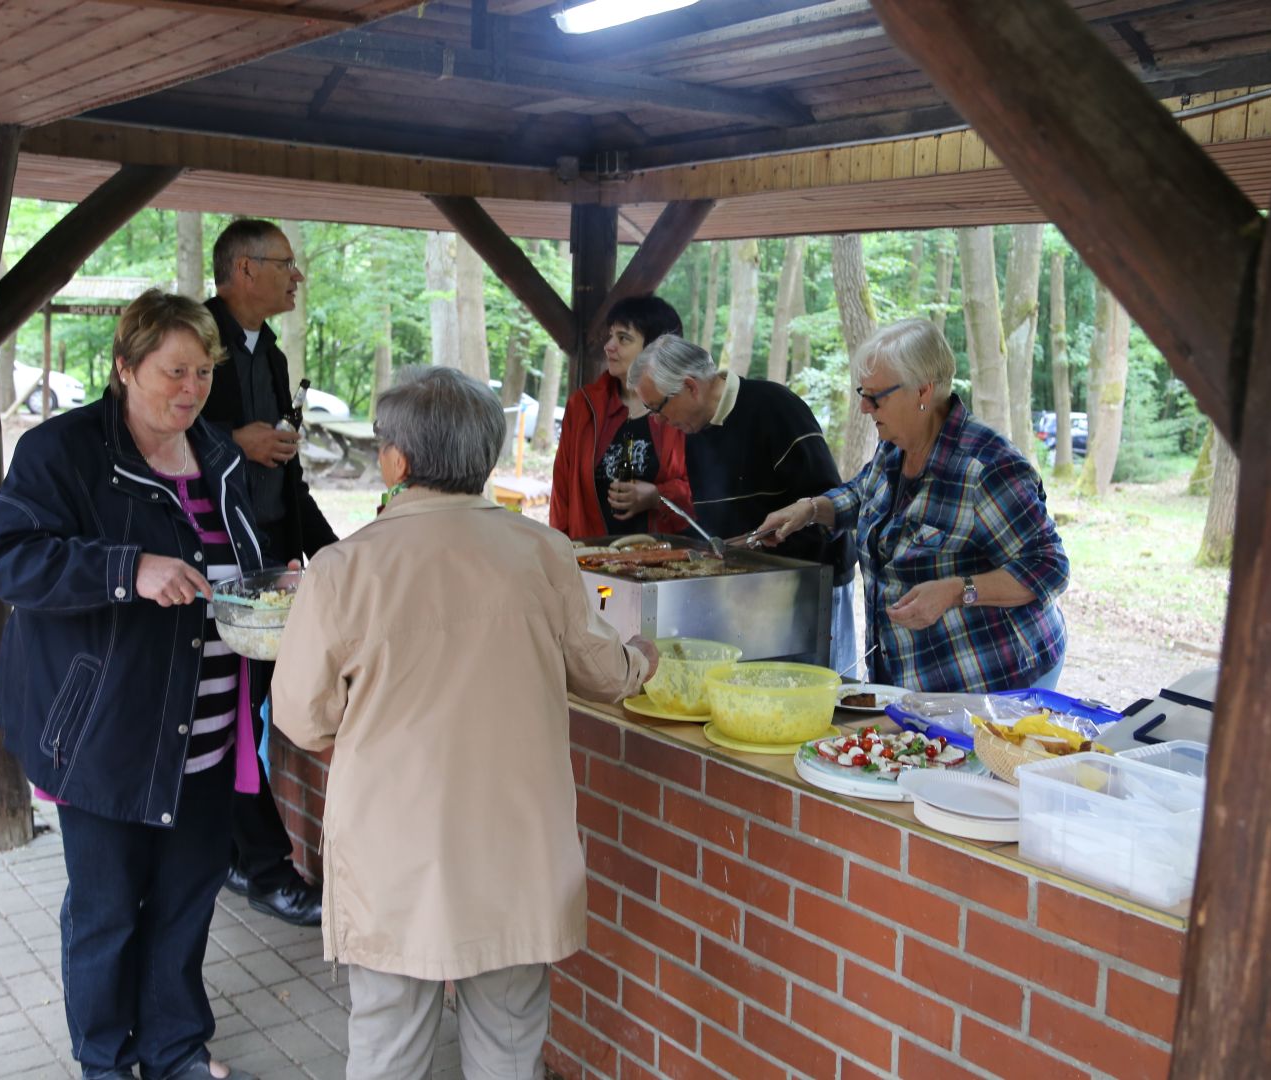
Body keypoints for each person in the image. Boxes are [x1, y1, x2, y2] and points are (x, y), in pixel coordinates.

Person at [271, 368, 657, 1080]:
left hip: (393, 852)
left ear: (395, 461)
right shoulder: (540, 550)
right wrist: (642, 659)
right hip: (514, 846)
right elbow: (603, 674)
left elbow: (300, 717)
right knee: (510, 1045)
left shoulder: (343, 569)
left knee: (387, 1048)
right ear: (484, 457)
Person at [0, 291, 268, 1080]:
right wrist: (126, 570)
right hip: (107, 733)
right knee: (109, 912)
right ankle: (106, 1061)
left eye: (204, 372)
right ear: (124, 367)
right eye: (173, 371)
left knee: (186, 903)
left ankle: (175, 1048)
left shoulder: (218, 455)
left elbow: (243, 563)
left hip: (208, 731)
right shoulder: (62, 451)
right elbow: (11, 561)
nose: (190, 390)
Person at [755, 317, 1069, 692]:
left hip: (991, 679)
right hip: (911, 676)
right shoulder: (896, 445)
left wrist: (957, 590)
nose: (864, 409)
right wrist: (809, 509)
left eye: (876, 397)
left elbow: (1049, 567)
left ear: (923, 391)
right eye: (862, 393)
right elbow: (861, 494)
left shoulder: (987, 469)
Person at [201, 218, 335, 927]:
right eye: (286, 263)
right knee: (240, 719)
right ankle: (267, 869)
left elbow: (285, 476)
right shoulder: (194, 339)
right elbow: (148, 433)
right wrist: (232, 441)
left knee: (249, 715)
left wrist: (335, 553)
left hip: (269, 565)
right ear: (243, 270)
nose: (297, 276)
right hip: (214, 570)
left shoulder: (271, 354)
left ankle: (232, 852)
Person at [627, 335, 858, 673]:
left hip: (808, 596)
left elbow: (831, 509)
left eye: (658, 409)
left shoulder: (775, 408)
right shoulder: (694, 432)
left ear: (691, 387)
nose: (658, 422)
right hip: (740, 597)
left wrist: (778, 545)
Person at [550, 294, 694, 539]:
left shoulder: (681, 408)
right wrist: (561, 551)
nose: (609, 346)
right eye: (611, 335)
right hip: (592, 559)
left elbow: (704, 494)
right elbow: (562, 491)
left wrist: (657, 496)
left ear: (655, 349)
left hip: (662, 562)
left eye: (623, 338)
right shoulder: (583, 406)